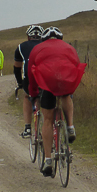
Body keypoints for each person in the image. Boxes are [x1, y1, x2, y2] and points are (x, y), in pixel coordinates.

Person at [27, 27, 86, 177]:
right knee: (66, 96)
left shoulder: (37, 48)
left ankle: (48, 160)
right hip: (65, 79)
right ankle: (70, 127)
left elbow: (31, 73)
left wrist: (33, 94)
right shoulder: (69, 47)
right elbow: (77, 65)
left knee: (47, 120)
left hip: (47, 82)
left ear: (44, 39)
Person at [13, 25, 44, 137]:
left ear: (28, 37)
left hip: (29, 77)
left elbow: (17, 68)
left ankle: (27, 128)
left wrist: (20, 83)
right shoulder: (46, 44)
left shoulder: (21, 47)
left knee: (27, 96)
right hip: (45, 77)